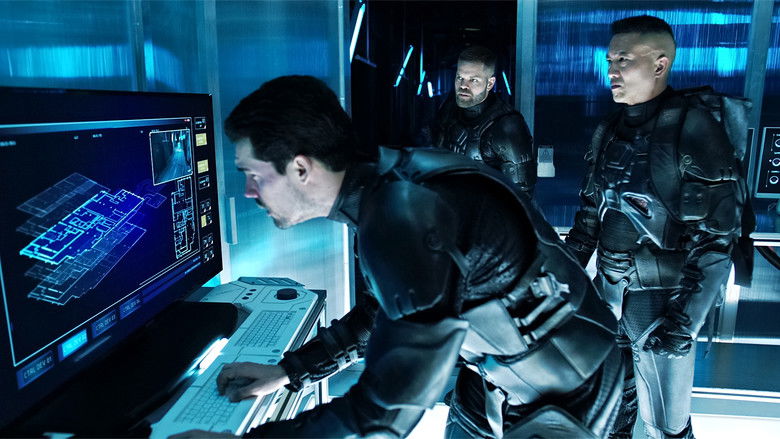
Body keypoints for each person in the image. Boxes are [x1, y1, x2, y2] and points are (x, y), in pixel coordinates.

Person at [175, 75, 622, 438]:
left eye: (253, 175)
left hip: (569, 393)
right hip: (499, 376)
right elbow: (381, 314)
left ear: (300, 168)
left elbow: (388, 411)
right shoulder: (384, 186)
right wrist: (290, 371)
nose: (249, 192)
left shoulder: (399, 215)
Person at [565, 15, 750, 439]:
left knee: (666, 427)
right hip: (608, 297)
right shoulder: (608, 130)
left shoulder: (693, 128)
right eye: (610, 60)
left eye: (624, 59)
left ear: (660, 64)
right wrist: (561, 280)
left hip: (662, 303)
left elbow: (716, 240)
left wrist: (683, 324)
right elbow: (589, 218)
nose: (612, 70)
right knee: (610, 416)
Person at [431, 45, 536, 196]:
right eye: (460, 78)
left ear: (490, 83)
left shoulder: (507, 126)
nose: (463, 86)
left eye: (473, 80)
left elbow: (521, 195)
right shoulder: (449, 109)